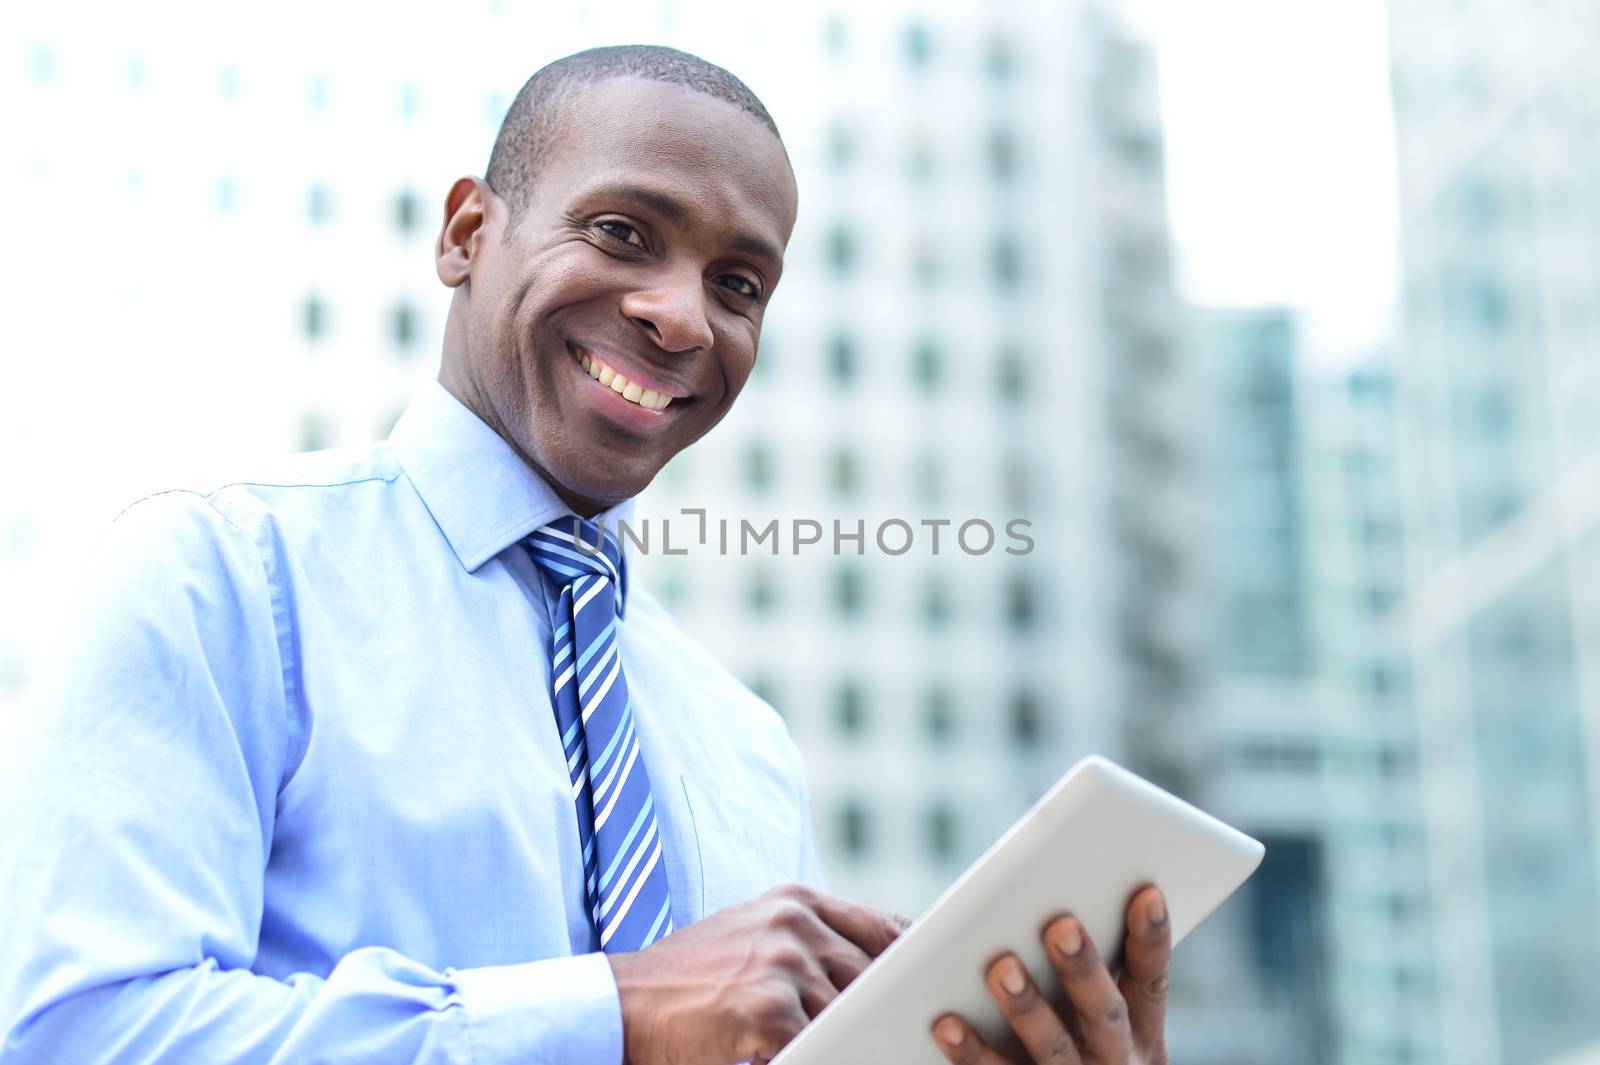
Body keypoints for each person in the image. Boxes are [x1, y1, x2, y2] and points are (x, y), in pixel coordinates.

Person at [0, 45, 1172, 1065]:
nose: (682, 317)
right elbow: (80, 1036)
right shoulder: (224, 579)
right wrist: (610, 1017)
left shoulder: (746, 748)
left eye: (739, 285)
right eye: (623, 232)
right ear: (468, 233)